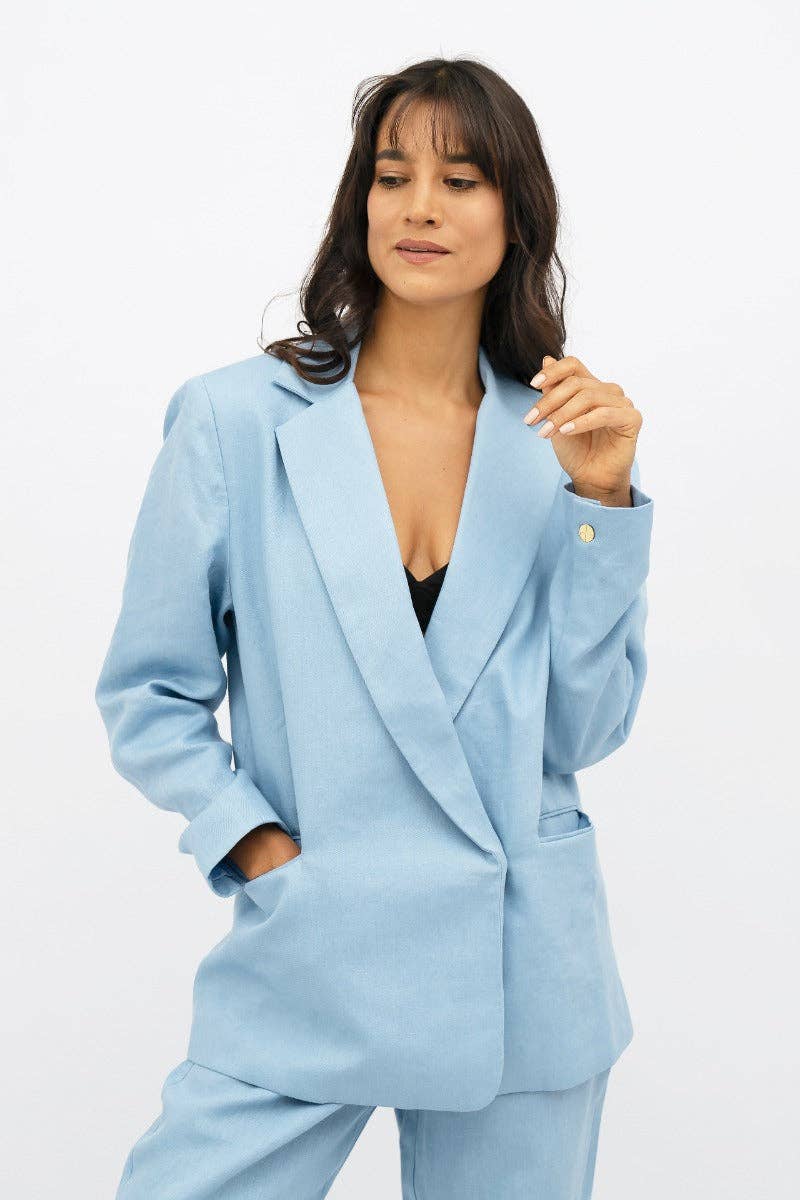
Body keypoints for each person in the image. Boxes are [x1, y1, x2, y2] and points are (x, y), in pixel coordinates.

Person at [95, 55, 654, 1199]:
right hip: (312, 944)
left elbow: (581, 734)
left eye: (459, 179)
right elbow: (148, 693)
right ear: (360, 204)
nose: (419, 207)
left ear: (516, 215)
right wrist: (256, 847)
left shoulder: (558, 440)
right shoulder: (236, 420)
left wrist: (601, 503)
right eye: (391, 177)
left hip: (520, 970)